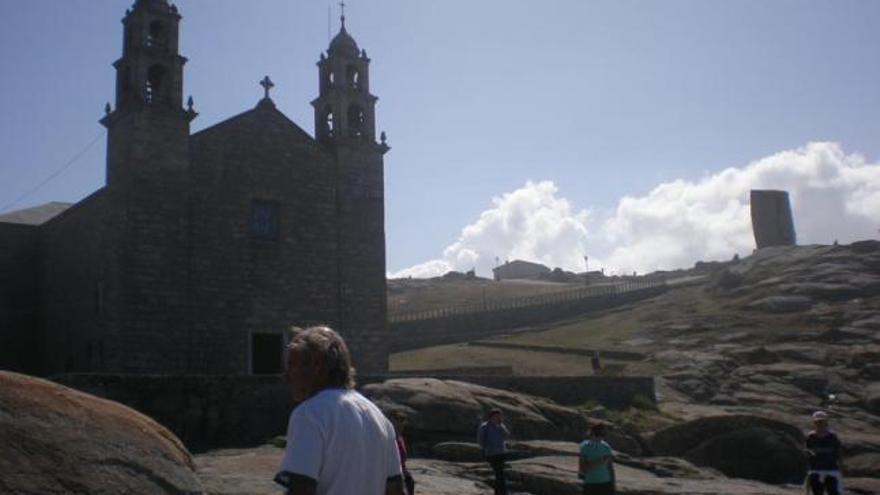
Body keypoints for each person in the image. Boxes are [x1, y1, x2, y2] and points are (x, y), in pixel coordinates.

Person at [274, 326, 405, 495]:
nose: (286, 375)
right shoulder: (378, 417)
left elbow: (300, 488)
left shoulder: (310, 414)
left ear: (316, 366)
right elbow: (395, 489)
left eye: (292, 364)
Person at [804, 411, 843, 495]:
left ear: (826, 422)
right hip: (815, 471)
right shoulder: (811, 437)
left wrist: (840, 469)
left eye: (822, 421)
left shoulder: (833, 437)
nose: (820, 424)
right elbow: (808, 452)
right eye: (817, 422)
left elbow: (838, 453)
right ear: (814, 423)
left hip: (831, 471)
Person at [477, 409, 510, 495]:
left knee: (500, 473)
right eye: (496, 416)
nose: (497, 418)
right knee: (499, 473)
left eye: (499, 416)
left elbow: (507, 435)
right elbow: (480, 440)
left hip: (501, 452)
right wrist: (486, 448)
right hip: (491, 453)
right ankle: (502, 492)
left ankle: (499, 492)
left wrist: (500, 427)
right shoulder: (485, 426)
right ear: (491, 416)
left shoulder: (500, 425)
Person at [578, 423, 615, 495]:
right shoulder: (585, 446)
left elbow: (610, 468)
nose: (601, 437)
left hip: (606, 482)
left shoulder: (606, 446)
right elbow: (582, 468)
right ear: (593, 433)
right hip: (591, 482)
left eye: (604, 434)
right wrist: (599, 461)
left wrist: (613, 485)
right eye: (599, 434)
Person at [389, 410, 415, 495]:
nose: (401, 424)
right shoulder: (389, 438)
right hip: (393, 474)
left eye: (403, 421)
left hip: (402, 474)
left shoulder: (400, 437)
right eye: (398, 420)